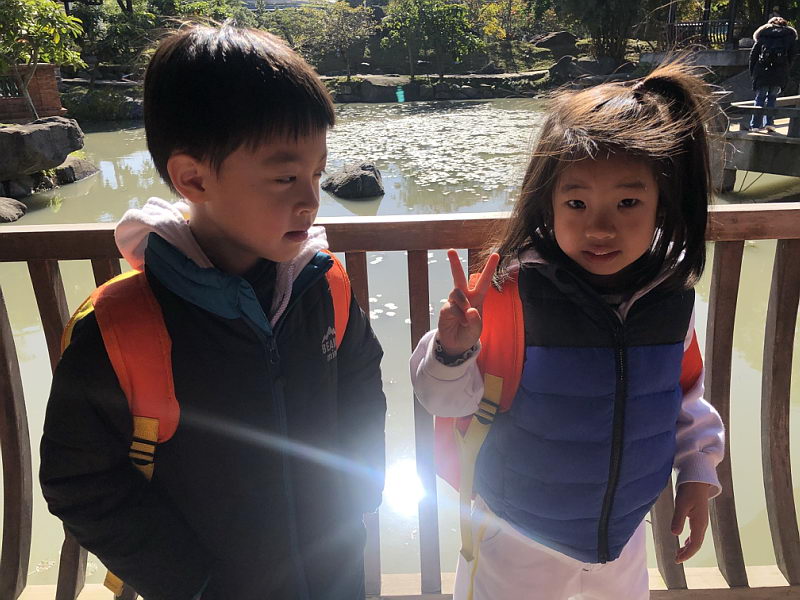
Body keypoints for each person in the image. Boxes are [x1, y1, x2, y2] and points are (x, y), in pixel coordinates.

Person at [40, 23, 386, 600]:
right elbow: (79, 480)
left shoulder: (325, 286)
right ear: (193, 178)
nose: (310, 199)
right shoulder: (121, 326)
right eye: (284, 177)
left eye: (316, 173)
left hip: (334, 573)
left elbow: (360, 387)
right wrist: (194, 583)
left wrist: (357, 496)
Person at [410, 60, 725, 600]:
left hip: (621, 537)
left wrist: (698, 470)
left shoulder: (669, 298)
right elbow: (443, 401)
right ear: (548, 203)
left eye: (628, 203)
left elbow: (682, 395)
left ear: (662, 203)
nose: (599, 227)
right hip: (515, 533)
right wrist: (453, 351)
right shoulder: (512, 293)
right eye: (576, 203)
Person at [748, 16, 797, 132]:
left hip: (762, 71)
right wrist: (786, 69)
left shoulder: (763, 35)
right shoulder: (789, 37)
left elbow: (753, 55)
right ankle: (769, 123)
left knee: (760, 98)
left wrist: (753, 72)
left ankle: (755, 125)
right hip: (779, 72)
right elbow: (792, 56)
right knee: (772, 98)